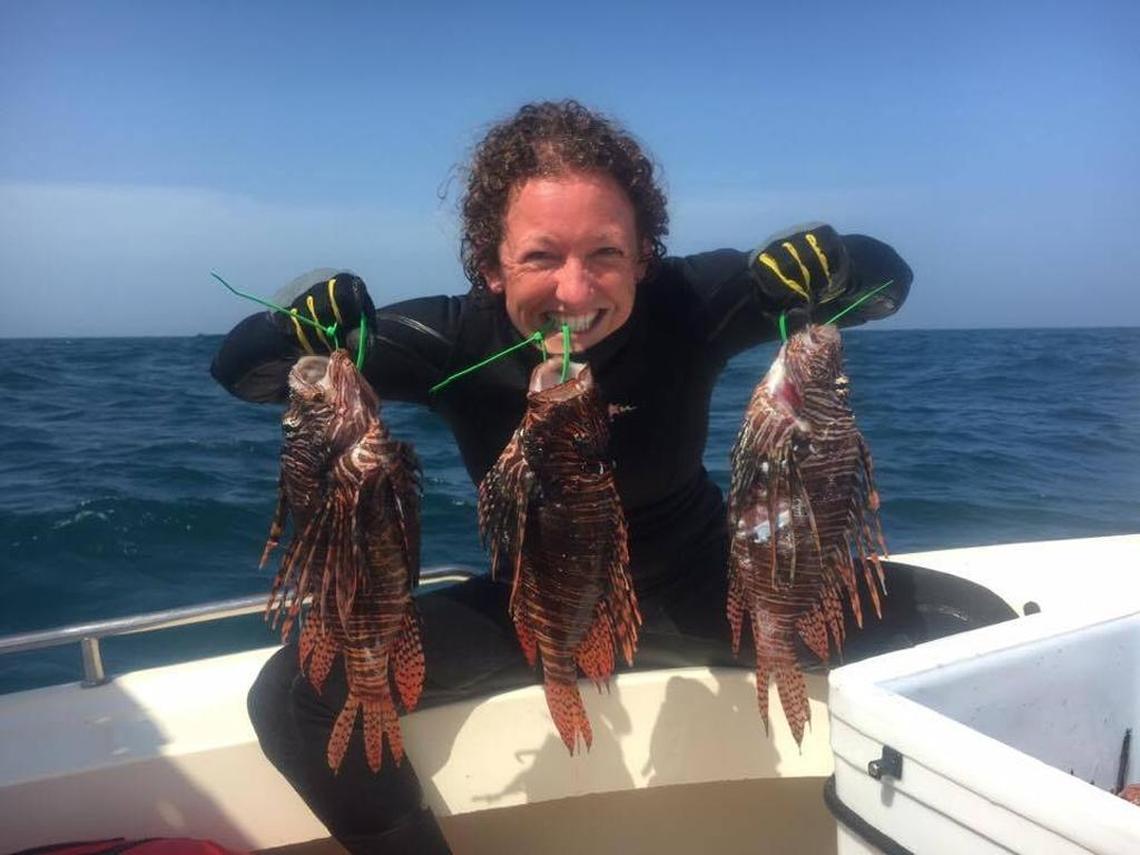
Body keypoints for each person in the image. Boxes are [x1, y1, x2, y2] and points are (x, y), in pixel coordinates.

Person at [211, 100, 912, 854]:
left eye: (605, 254)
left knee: (974, 628)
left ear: (644, 256)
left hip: (718, 590)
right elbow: (248, 375)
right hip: (537, 612)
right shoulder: (454, 337)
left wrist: (833, 259)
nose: (574, 292)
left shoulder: (690, 300)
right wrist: (294, 323)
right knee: (294, 698)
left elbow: (886, 286)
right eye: (541, 256)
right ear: (490, 266)